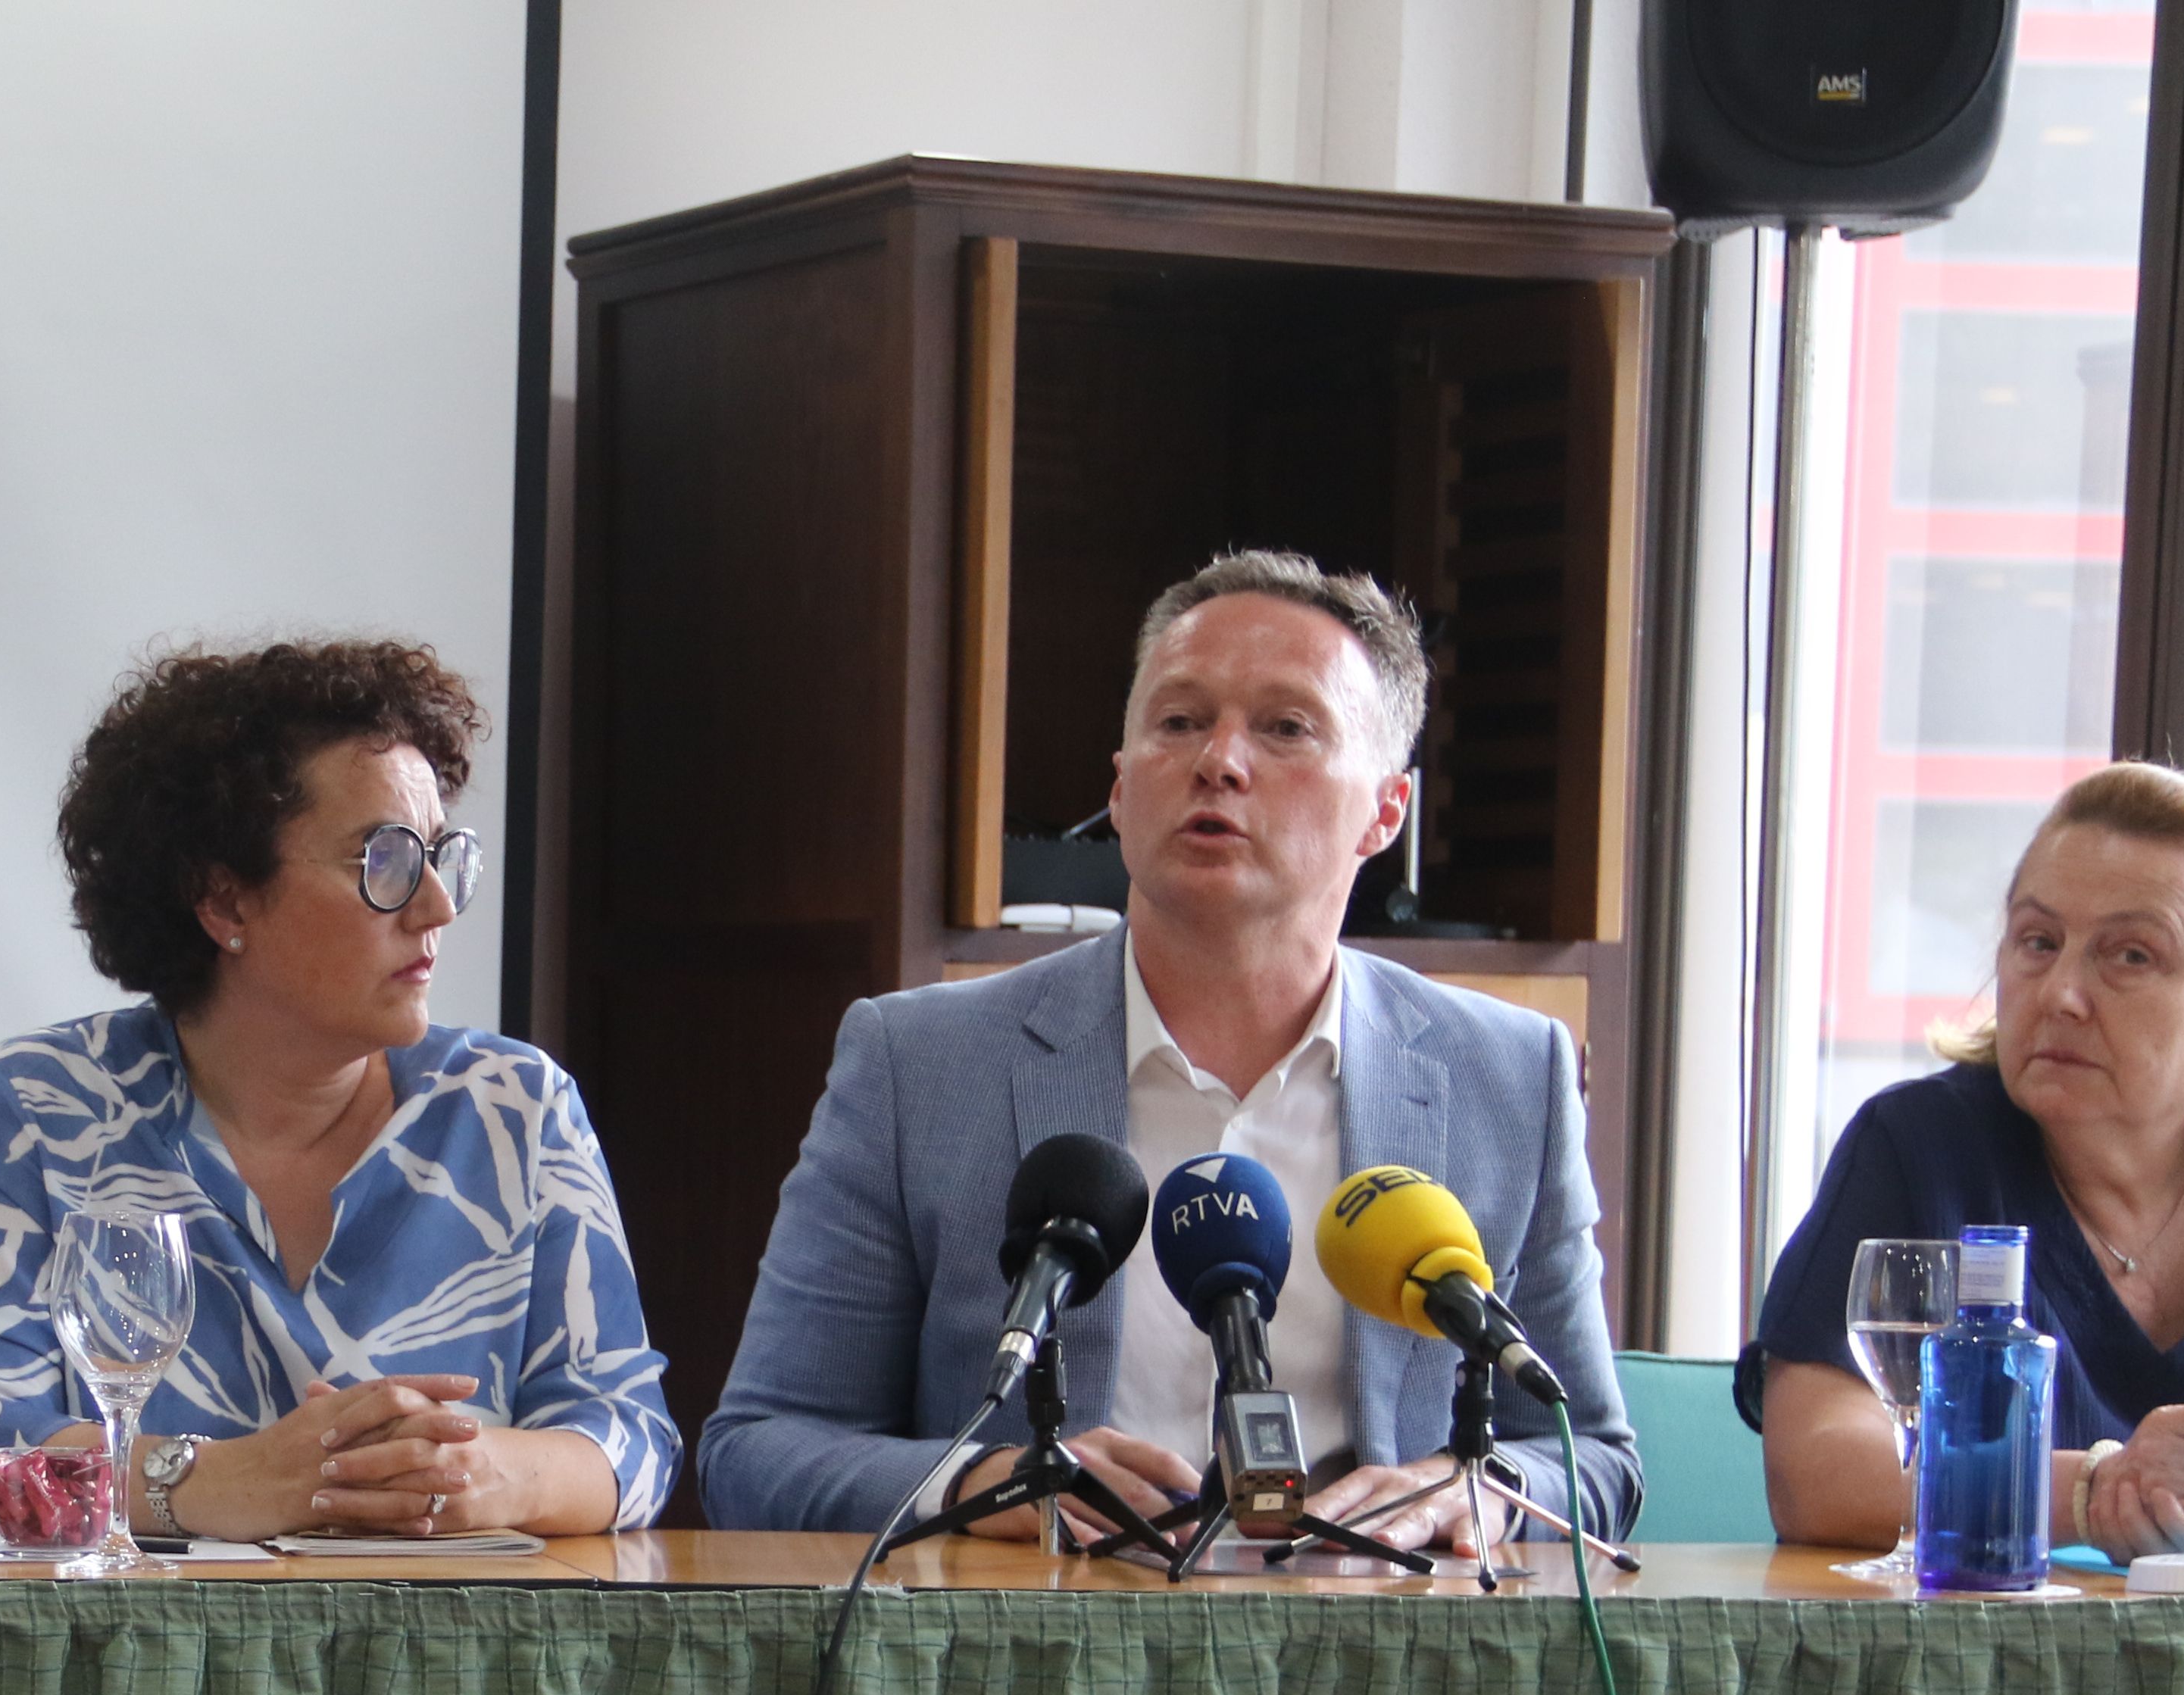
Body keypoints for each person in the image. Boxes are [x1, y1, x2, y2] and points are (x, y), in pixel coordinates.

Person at [697, 550, 1638, 1547]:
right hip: (1034, 1659)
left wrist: (1481, 1493)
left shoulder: (1509, 1076)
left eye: (1285, 728)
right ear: (1118, 788)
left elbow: (1596, 1461)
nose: (1220, 762)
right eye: (1180, 722)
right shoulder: (920, 1065)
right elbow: (758, 1451)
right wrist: (987, 1485)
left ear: (1385, 812)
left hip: (1372, 1660)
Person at [0, 639, 677, 1538]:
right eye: (383, 861)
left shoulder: (515, 1109)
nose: (437, 907)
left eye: (440, 856)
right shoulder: (40, 1106)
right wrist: (212, 1481)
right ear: (225, 903)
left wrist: (489, 1474)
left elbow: (632, 1437)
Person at [1754, 762, 2184, 1558]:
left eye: (2130, 956)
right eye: (2038, 941)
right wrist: (2099, 1490)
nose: (2061, 992)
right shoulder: (1920, 1147)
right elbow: (1815, 1475)